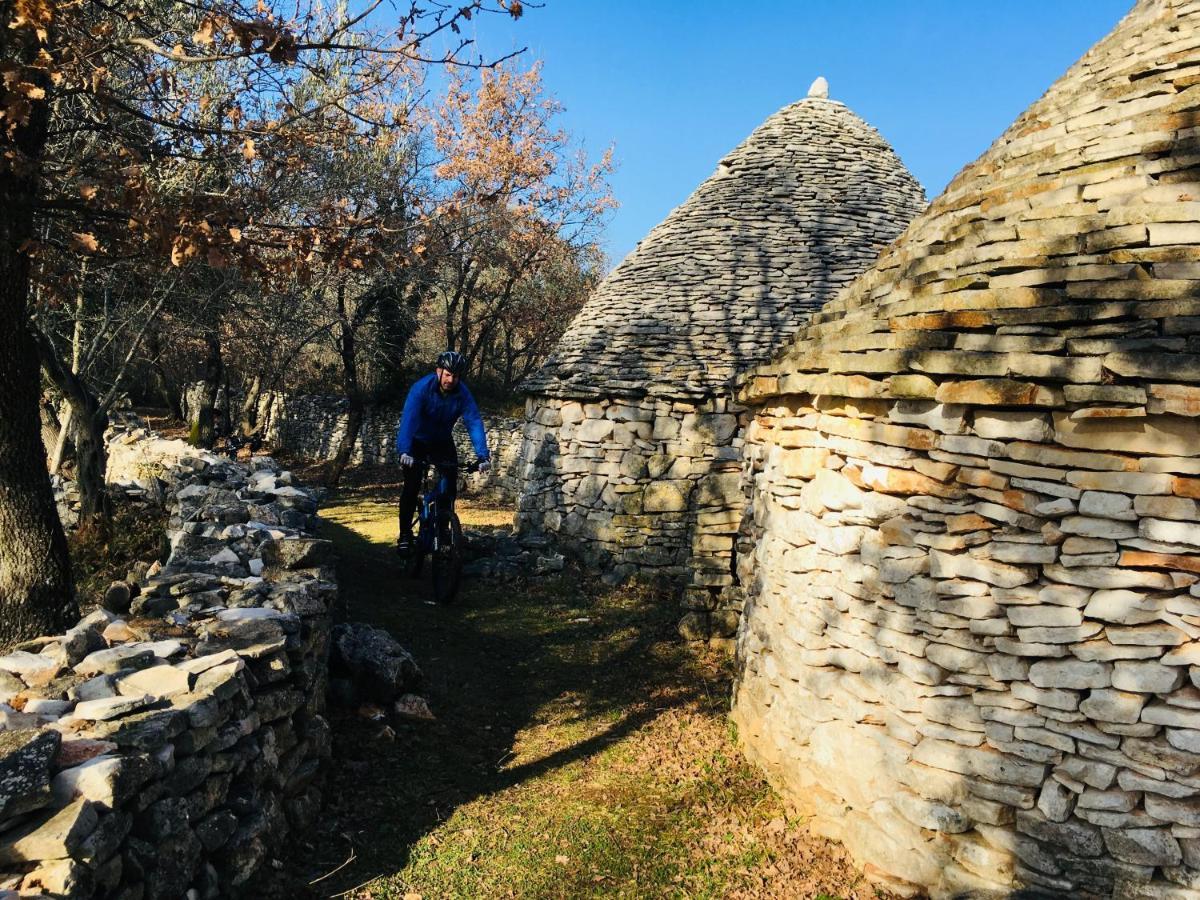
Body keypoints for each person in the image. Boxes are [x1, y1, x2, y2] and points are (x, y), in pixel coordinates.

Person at [394, 350, 490, 552]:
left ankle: (444, 527)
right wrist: (404, 451)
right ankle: (404, 534)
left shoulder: (462, 393)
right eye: (447, 374)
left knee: (450, 485)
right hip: (416, 441)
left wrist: (482, 455)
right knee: (411, 486)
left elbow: (473, 421)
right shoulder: (421, 389)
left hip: (442, 441)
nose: (451, 380)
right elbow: (408, 420)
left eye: (455, 376)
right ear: (438, 371)